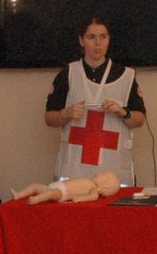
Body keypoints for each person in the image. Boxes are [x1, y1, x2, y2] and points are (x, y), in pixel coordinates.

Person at [44, 16, 147, 185]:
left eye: (103, 37)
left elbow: (139, 120)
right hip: (74, 172)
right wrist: (66, 113)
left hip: (115, 173)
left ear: (109, 40)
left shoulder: (126, 75)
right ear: (81, 40)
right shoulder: (68, 74)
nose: (98, 43)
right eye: (91, 37)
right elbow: (48, 118)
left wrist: (123, 112)